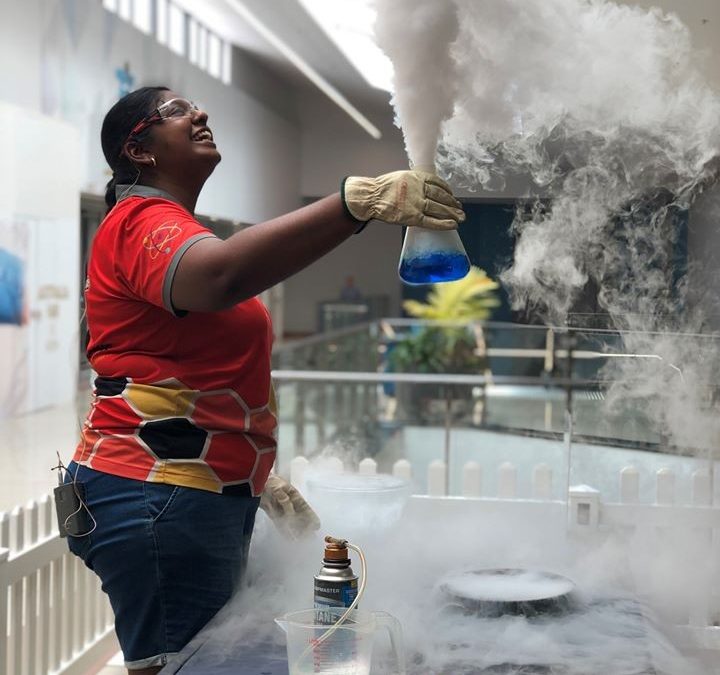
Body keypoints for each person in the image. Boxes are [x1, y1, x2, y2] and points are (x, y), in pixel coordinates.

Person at [61, 86, 465, 674]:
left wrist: (252, 468)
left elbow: (184, 368)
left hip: (183, 487)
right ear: (139, 149)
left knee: (198, 660)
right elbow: (220, 278)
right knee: (186, 666)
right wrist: (355, 203)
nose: (199, 113)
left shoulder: (166, 226)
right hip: (157, 492)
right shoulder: (140, 221)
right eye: (175, 111)